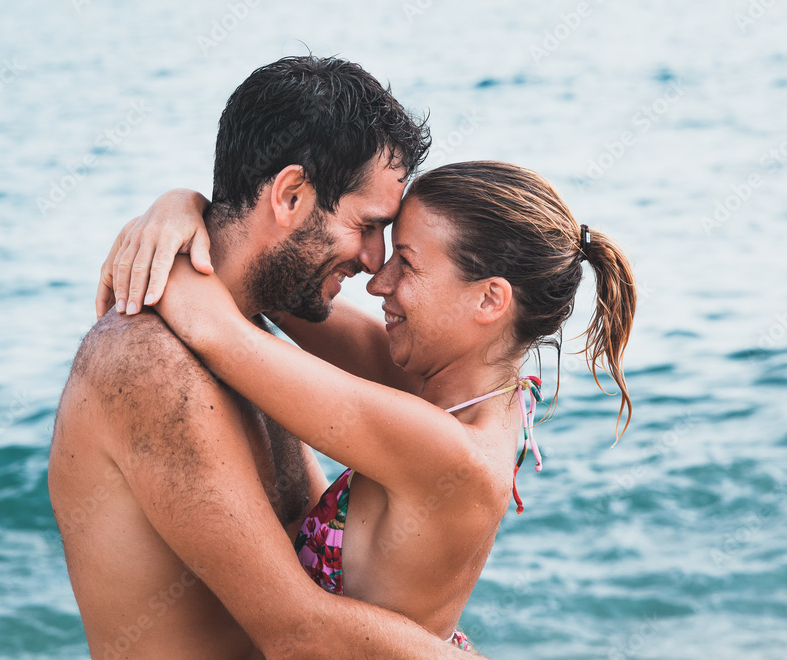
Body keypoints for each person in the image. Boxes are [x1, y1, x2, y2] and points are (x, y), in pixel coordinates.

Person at [49, 56, 486, 659]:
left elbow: (315, 563)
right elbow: (296, 633)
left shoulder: (243, 338)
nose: (372, 262)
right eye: (367, 225)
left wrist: (183, 202)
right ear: (290, 195)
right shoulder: (147, 365)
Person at [105, 160, 637, 651]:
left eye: (405, 263)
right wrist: (181, 205)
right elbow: (270, 283)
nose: (379, 280)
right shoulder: (464, 395)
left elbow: (213, 331)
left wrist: (157, 242)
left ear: (489, 300)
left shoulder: (450, 450)